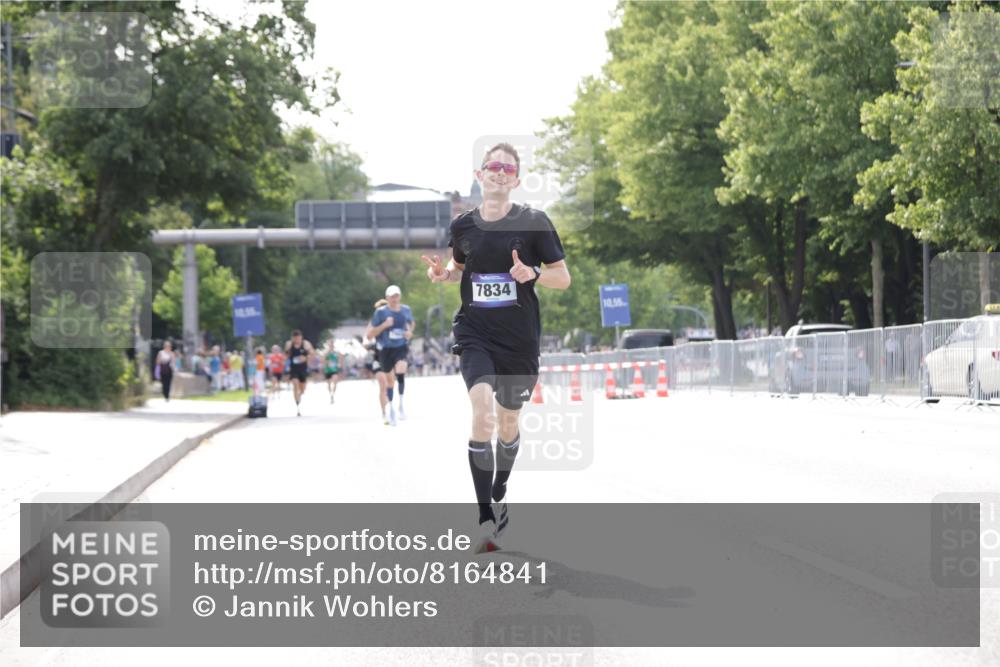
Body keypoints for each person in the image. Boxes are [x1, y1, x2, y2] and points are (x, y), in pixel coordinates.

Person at [421, 141, 570, 553]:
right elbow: (460, 267)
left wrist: (533, 273)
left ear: (516, 181)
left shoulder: (534, 222)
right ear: (480, 175)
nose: (500, 173)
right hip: (475, 334)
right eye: (494, 167)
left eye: (508, 169)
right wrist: (444, 275)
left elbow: (563, 277)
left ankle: (500, 490)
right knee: (482, 414)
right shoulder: (463, 226)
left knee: (508, 423)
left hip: (519, 341)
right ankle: (485, 516)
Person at [366, 287, 415, 425]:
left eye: (397, 296)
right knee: (389, 382)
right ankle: (391, 409)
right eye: (392, 296)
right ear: (387, 297)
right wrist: (384, 325)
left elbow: (411, 323)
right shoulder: (380, 313)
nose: (395, 298)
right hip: (385, 349)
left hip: (401, 346)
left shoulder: (406, 310)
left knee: (401, 369)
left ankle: (401, 405)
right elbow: (369, 335)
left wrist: (409, 332)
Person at [284, 329, 315, 416]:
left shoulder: (305, 344)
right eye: (295, 338)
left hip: (303, 369)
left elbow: (312, 354)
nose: (297, 340)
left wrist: (305, 358)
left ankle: (299, 395)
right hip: (294, 369)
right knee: (295, 384)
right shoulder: (289, 344)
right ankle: (297, 404)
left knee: (302, 389)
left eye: (298, 338)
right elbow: (286, 356)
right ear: (293, 338)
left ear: (301, 337)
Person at [323, 339, 342, 403]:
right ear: (328, 345)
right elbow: (323, 360)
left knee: (335, 381)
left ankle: (333, 394)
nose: (331, 345)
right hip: (328, 370)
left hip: (334, 370)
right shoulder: (326, 353)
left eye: (332, 344)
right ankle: (330, 394)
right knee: (329, 384)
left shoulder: (336, 352)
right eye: (330, 344)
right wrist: (327, 363)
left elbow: (340, 359)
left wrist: (339, 365)